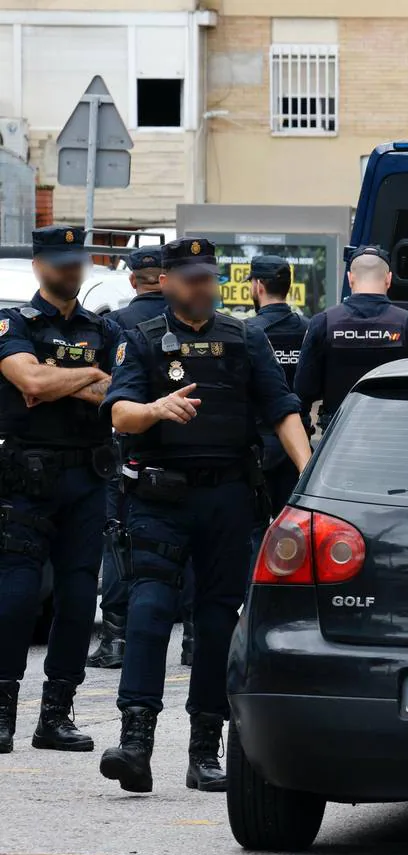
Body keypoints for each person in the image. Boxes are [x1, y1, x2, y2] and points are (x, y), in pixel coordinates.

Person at [99, 237, 311, 793]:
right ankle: (136, 743)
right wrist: (155, 409)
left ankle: (204, 750)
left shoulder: (246, 338)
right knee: (148, 610)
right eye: (190, 277)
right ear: (165, 281)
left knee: (217, 621)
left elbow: (283, 410)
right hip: (158, 498)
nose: (201, 286)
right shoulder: (140, 340)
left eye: (208, 276)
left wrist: (310, 477)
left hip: (227, 499)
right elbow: (119, 412)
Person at [0, 225, 122, 755]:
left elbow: (118, 391)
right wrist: (83, 377)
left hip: (86, 478)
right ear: (39, 265)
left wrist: (63, 377)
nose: (71, 269)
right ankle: (2, 712)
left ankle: (56, 715)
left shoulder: (104, 329)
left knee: (76, 599)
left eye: (77, 260)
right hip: (25, 479)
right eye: (60, 260)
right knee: (17, 597)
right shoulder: (14, 323)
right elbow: (31, 384)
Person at [90, 248, 196, 670]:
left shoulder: (116, 325)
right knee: (190, 542)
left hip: (130, 447)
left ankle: (115, 638)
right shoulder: (189, 324)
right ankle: (192, 639)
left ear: (135, 281)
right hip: (188, 448)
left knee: (120, 539)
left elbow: (104, 389)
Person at [293, 245, 408, 435]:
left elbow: (304, 389)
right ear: (389, 279)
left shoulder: (323, 323)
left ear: (350, 278)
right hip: (397, 434)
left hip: (339, 436)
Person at [245, 255, 309, 555]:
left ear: (258, 286)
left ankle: (252, 596)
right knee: (294, 527)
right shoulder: (309, 329)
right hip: (299, 445)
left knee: (254, 528)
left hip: (257, 446)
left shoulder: (246, 333)